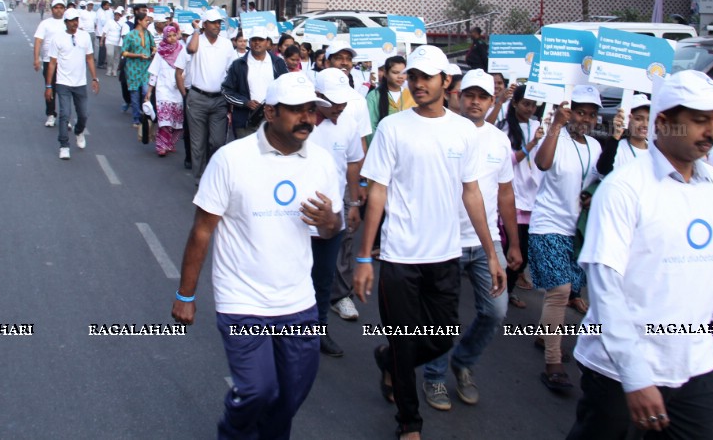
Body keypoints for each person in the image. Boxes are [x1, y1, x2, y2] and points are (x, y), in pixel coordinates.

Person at [568, 70, 713, 439]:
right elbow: (607, 288)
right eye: (699, 120)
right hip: (619, 371)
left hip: (696, 368)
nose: (712, 132)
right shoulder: (624, 188)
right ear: (663, 122)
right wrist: (635, 375)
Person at [171, 73, 343, 440]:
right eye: (296, 110)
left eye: (311, 110)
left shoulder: (323, 163)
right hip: (242, 299)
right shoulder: (231, 159)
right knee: (257, 390)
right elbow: (202, 230)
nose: (307, 119)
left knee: (293, 392)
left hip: (298, 301)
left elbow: (329, 230)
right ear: (270, 111)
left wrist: (331, 222)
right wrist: (186, 295)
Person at [354, 44, 503, 440]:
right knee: (405, 344)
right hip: (400, 256)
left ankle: (388, 359)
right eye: (413, 77)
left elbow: (472, 193)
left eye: (426, 78)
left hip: (445, 256)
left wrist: (492, 254)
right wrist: (366, 257)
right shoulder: (393, 127)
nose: (417, 84)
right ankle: (409, 423)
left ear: (445, 82)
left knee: (442, 337)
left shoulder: (462, 132)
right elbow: (378, 193)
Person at [421, 69, 520, 411]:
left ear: (493, 101)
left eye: (483, 97)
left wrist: (513, 244)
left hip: (486, 244)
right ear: (457, 97)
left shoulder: (499, 140)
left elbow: (506, 193)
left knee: (496, 310)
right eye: (469, 95)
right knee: (442, 316)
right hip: (445, 241)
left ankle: (463, 361)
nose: (475, 102)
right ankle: (434, 377)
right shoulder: (440, 133)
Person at [530, 85, 602, 391]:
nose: (584, 119)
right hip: (548, 225)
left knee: (564, 290)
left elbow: (597, 180)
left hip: (577, 231)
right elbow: (542, 164)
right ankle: (553, 362)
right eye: (579, 112)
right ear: (568, 111)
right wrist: (556, 125)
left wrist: (589, 195)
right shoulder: (555, 138)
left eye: (590, 114)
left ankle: (546, 333)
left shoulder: (596, 148)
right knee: (560, 291)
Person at [308, 68, 365, 358]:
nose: (339, 107)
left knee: (323, 278)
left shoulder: (348, 124)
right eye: (333, 102)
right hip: (297, 216)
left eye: (343, 102)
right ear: (317, 97)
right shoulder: (301, 122)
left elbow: (354, 164)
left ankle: (318, 330)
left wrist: (353, 204)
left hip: (334, 217)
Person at [497, 85, 544, 307]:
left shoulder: (538, 126)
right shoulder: (506, 128)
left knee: (523, 251)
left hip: (532, 197)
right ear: (515, 103)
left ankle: (510, 288)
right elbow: (508, 161)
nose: (530, 108)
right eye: (526, 103)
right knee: (511, 248)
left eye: (533, 104)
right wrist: (531, 144)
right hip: (513, 194)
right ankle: (501, 289)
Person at [185, 9, 237, 181]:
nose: (217, 25)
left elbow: (231, 70)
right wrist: (196, 30)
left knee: (216, 141)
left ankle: (212, 174)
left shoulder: (227, 44)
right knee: (198, 143)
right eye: (213, 22)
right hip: (198, 98)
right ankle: (200, 178)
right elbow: (191, 49)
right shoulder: (196, 40)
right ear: (205, 24)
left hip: (219, 99)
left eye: (219, 22)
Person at [45, 9, 99, 160]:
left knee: (83, 114)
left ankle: (79, 131)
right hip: (63, 82)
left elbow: (89, 58)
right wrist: (49, 86)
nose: (75, 23)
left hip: (80, 83)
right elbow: (52, 63)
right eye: (71, 20)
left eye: (76, 20)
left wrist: (95, 78)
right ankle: (64, 145)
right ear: (66, 22)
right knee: (64, 114)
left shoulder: (85, 36)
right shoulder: (58, 38)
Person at [222, 28, 288, 140]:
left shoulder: (278, 63)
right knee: (245, 156)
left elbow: (286, 88)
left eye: (260, 40)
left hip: (271, 121)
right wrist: (245, 102)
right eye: (254, 40)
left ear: (267, 42)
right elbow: (226, 91)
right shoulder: (238, 65)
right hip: (245, 122)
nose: (257, 43)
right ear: (250, 42)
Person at [145, 25, 188, 157]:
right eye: (168, 36)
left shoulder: (182, 50)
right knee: (165, 120)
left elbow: (187, 69)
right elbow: (154, 73)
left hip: (178, 90)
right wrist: (149, 91)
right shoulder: (160, 52)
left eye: (174, 35)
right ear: (164, 37)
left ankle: (170, 143)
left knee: (177, 121)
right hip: (163, 90)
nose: (172, 38)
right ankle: (161, 145)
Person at [33, 0, 68, 127]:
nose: (58, 10)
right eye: (56, 7)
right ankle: (51, 114)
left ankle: (66, 116)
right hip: (49, 61)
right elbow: (38, 41)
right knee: (50, 88)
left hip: (65, 62)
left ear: (64, 9)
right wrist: (36, 59)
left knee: (65, 90)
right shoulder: (45, 24)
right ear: (52, 9)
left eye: (61, 7)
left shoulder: (68, 23)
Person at [596, 94, 651, 176]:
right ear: (627, 120)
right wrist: (615, 136)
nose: (645, 124)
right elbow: (603, 169)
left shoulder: (656, 149)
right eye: (638, 119)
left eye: (649, 119)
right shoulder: (618, 149)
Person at [366, 55, 414, 142]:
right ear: (386, 73)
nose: (400, 76)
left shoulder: (412, 95)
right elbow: (370, 127)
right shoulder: (374, 96)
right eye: (395, 72)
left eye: (403, 72)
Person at [122, 11, 156, 128]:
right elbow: (124, 52)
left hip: (146, 68)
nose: (148, 22)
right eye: (146, 20)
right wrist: (138, 55)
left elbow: (153, 46)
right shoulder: (130, 35)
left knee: (146, 92)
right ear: (139, 21)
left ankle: (146, 114)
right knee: (135, 95)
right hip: (133, 68)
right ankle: (136, 118)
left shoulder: (148, 34)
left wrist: (153, 52)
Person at [101, 8, 128, 77]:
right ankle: (109, 69)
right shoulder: (109, 22)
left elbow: (124, 33)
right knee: (110, 54)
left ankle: (114, 70)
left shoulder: (122, 23)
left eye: (119, 15)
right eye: (116, 15)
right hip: (109, 41)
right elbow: (104, 32)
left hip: (118, 43)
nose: (117, 16)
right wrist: (101, 40)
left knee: (116, 57)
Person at [95, 0, 113, 68]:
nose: (108, 6)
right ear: (104, 5)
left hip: (106, 32)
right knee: (102, 49)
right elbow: (103, 22)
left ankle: (103, 61)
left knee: (105, 48)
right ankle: (100, 63)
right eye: (107, 5)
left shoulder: (109, 11)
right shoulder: (100, 12)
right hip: (101, 33)